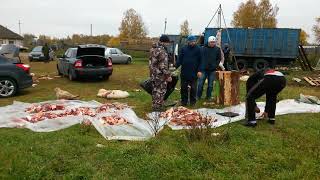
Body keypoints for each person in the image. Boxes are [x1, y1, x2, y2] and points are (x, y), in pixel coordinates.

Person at [176, 35, 201, 106]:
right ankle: (184, 101)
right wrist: (175, 67)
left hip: (194, 72)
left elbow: (201, 60)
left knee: (193, 89)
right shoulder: (184, 49)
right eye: (191, 41)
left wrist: (199, 70)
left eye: (194, 41)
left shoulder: (198, 49)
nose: (193, 43)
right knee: (183, 88)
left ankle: (193, 102)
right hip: (184, 72)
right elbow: (180, 59)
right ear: (188, 41)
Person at [149, 35, 172, 111]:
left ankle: (154, 105)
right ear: (163, 42)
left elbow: (151, 63)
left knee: (155, 90)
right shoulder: (162, 51)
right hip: (160, 75)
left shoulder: (153, 49)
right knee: (160, 91)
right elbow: (163, 65)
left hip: (153, 74)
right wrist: (168, 75)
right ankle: (157, 108)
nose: (168, 44)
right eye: (167, 42)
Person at [197, 36, 222, 100]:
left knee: (210, 85)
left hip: (212, 70)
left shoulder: (217, 49)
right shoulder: (202, 49)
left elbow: (219, 58)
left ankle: (208, 97)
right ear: (208, 42)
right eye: (211, 42)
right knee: (200, 84)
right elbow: (199, 58)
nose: (212, 43)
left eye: (214, 42)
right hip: (203, 70)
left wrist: (215, 65)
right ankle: (198, 96)